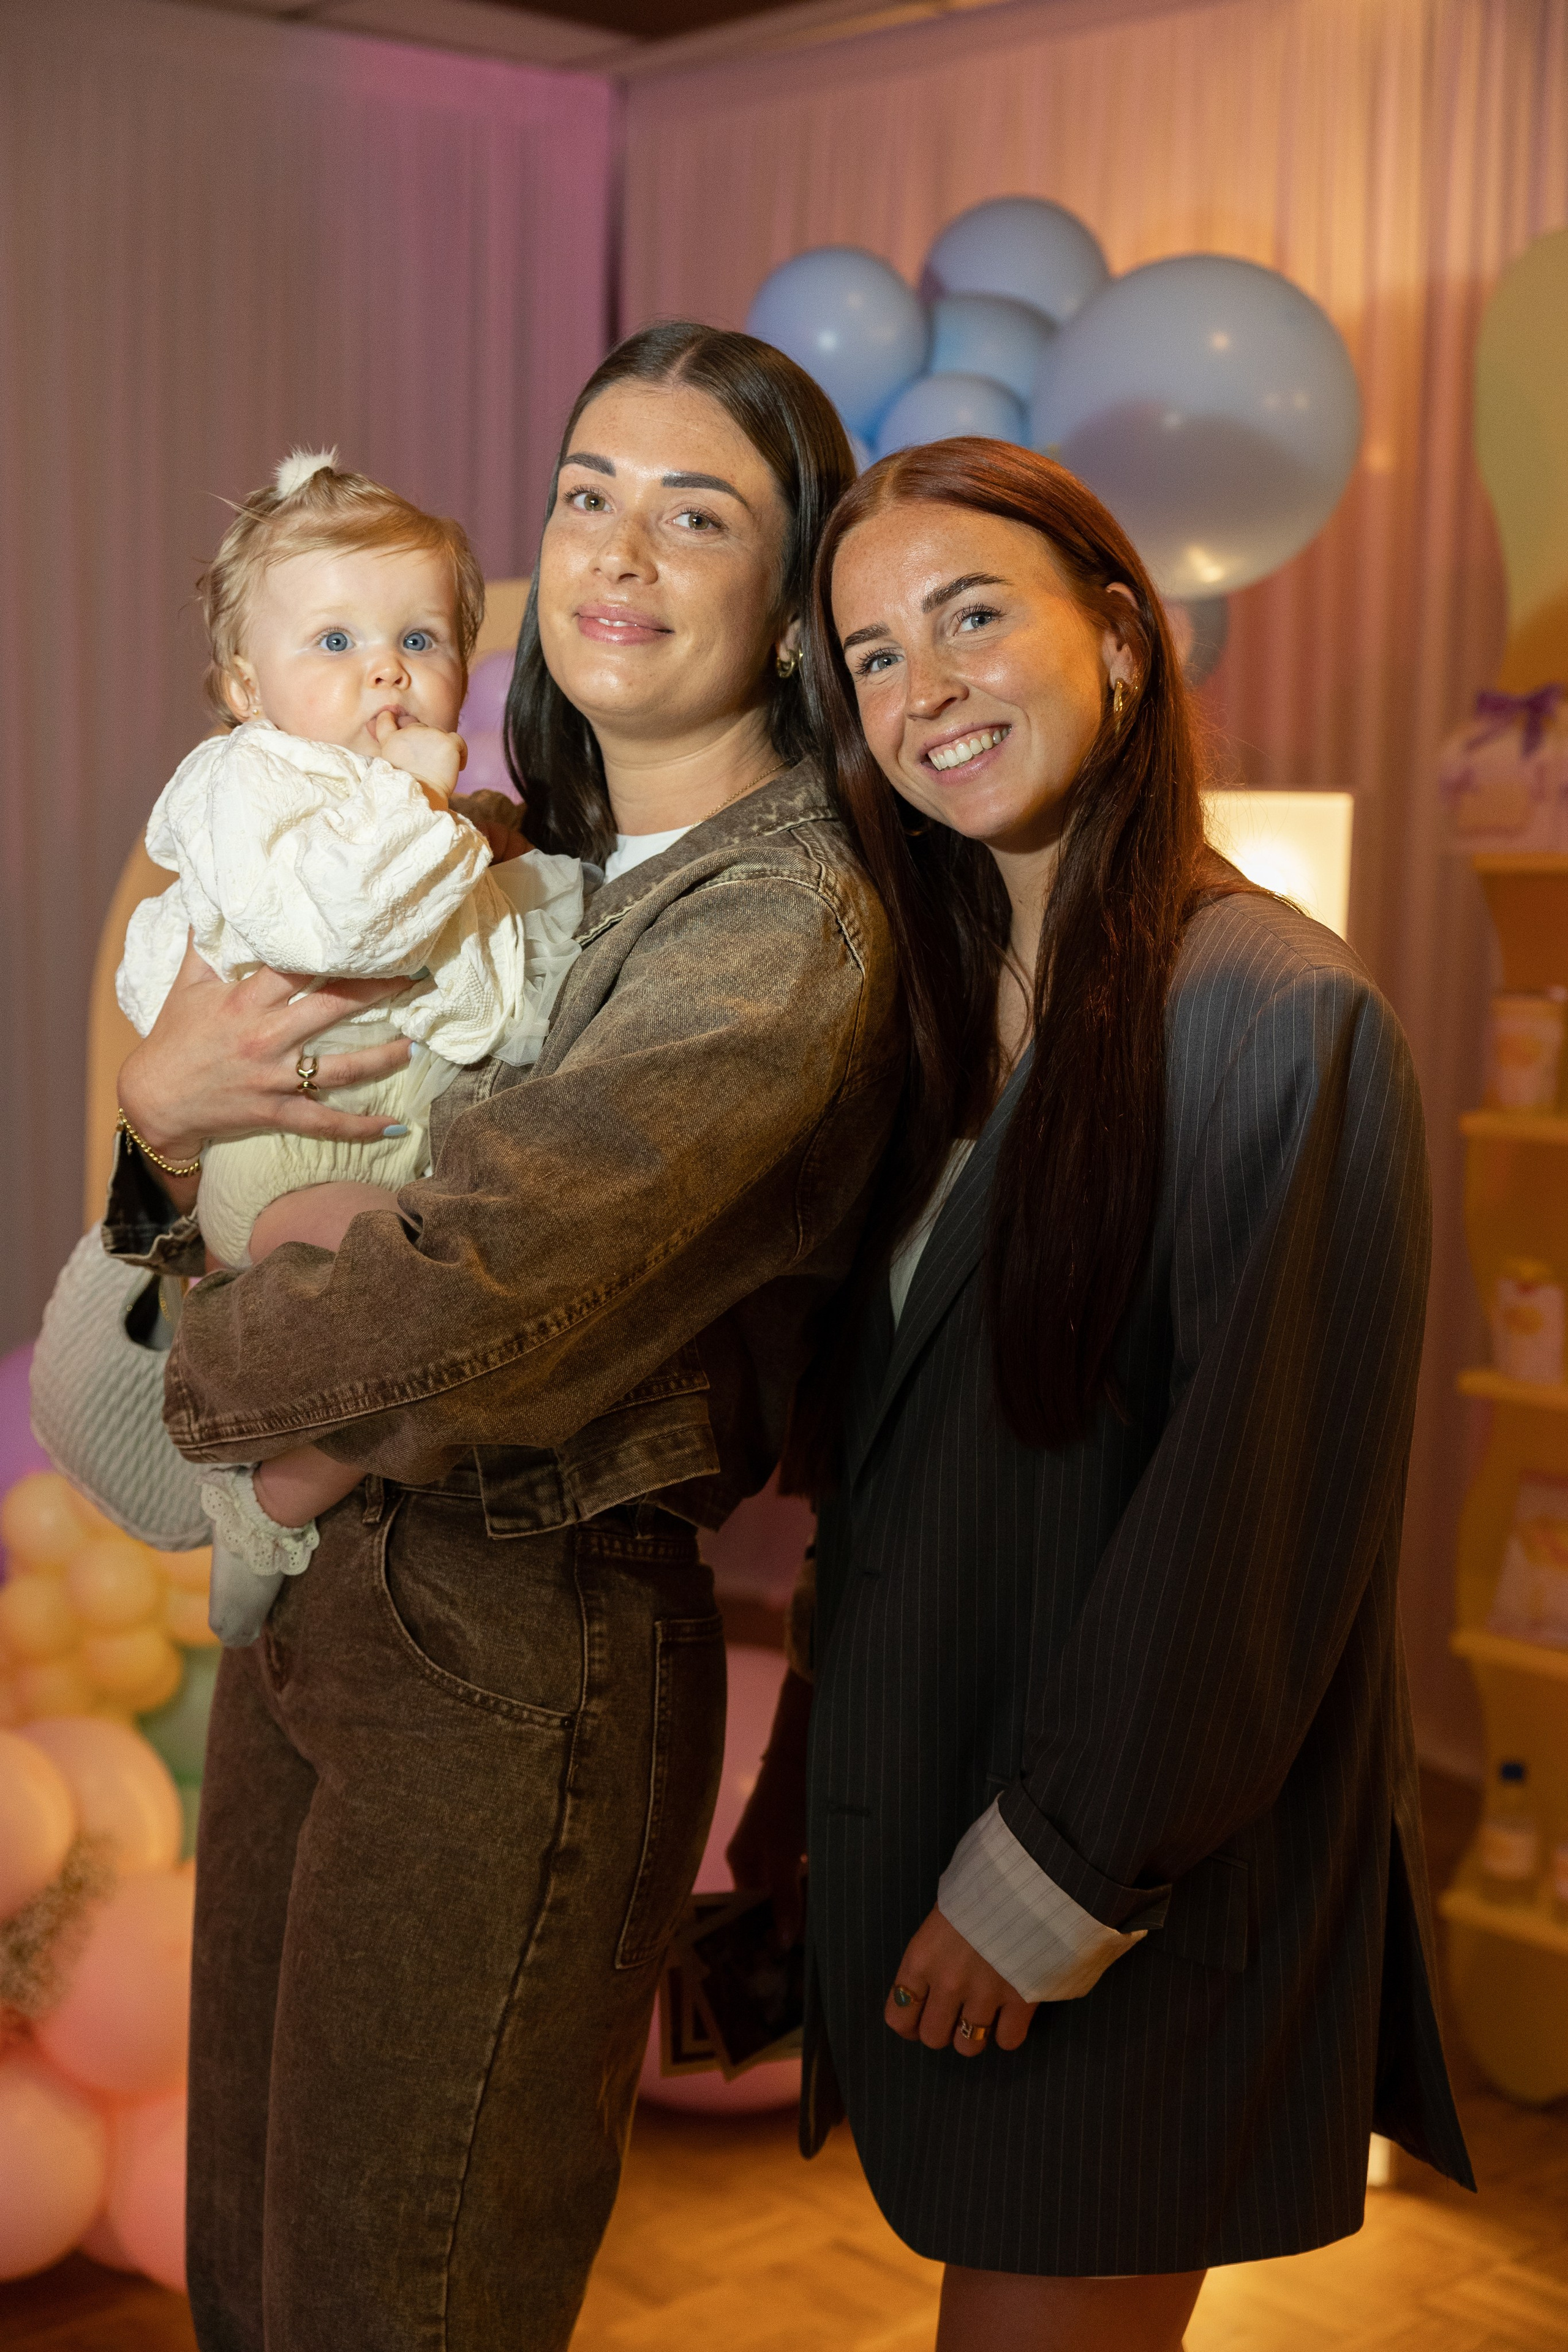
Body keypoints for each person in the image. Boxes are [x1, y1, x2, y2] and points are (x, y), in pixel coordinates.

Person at [106, 322, 901, 2352]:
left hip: (521, 1640)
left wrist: (186, 1387)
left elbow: (483, 1285)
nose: (622, 550)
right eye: (587, 497)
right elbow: (209, 1139)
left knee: (399, 2296)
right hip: (323, 1608)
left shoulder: (781, 913)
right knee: (257, 2273)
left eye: (696, 511)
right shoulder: (483, 857)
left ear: (791, 587)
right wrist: (155, 1137)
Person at [731, 439, 1473, 2352]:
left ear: (1124, 643)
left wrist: (1055, 1874)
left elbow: (1257, 1530)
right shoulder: (937, 1013)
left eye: (973, 615)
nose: (928, 688)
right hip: (955, 1804)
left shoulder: (1277, 1020)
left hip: (1125, 1880)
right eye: (875, 657)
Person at [116, 448, 582, 1637]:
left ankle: (279, 1486)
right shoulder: (253, 789)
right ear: (242, 684)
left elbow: (500, 972)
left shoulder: (445, 822)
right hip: (290, 1166)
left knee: (430, 1292)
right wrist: (417, 808)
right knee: (399, 1293)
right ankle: (266, 1508)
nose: (385, 668)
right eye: (334, 643)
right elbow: (333, 920)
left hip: (398, 1148)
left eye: (419, 641)